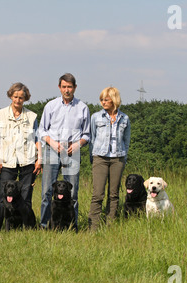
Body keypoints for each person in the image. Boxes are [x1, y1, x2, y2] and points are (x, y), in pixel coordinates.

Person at [38, 73, 91, 230]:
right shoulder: (51, 106)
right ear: (59, 88)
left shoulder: (82, 108)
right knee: (47, 192)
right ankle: (44, 225)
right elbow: (41, 130)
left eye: (70, 87)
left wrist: (78, 144)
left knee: (72, 194)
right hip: (52, 149)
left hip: (72, 150)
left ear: (75, 87)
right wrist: (52, 143)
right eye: (64, 87)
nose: (67, 90)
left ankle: (71, 226)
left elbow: (87, 134)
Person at [0, 83, 42, 230]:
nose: (18, 100)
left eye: (21, 97)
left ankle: (28, 227)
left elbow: (38, 139)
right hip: (7, 161)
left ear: (25, 98)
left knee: (25, 196)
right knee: (2, 196)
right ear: (10, 96)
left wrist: (40, 159)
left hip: (28, 160)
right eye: (15, 97)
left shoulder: (32, 116)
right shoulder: (0, 115)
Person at [88, 87, 131, 230]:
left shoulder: (124, 118)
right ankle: (93, 228)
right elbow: (92, 138)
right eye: (101, 99)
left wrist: (124, 156)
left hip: (118, 159)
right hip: (100, 158)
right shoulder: (96, 117)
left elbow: (126, 140)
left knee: (114, 194)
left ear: (114, 100)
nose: (103, 102)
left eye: (106, 99)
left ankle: (109, 226)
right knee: (98, 194)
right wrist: (92, 157)